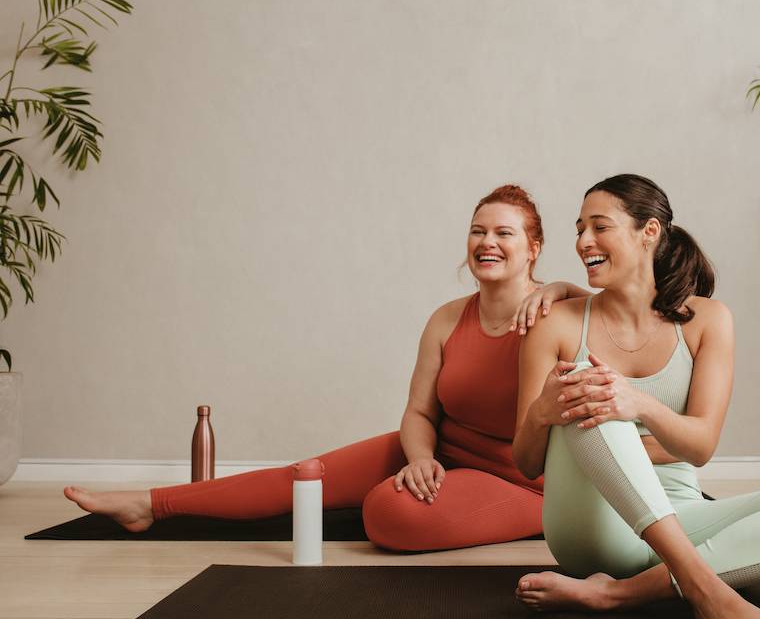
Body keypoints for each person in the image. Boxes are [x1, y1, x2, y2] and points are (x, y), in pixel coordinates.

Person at [64, 184, 588, 552]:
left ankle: (519, 520)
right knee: (303, 477)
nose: (486, 243)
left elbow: (611, 323)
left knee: (388, 514)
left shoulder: (556, 313)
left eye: (504, 233)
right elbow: (418, 412)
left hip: (522, 482)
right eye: (477, 231)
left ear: (533, 248)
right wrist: (421, 457)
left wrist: (566, 287)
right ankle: (149, 505)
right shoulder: (447, 319)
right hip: (446, 451)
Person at [511, 174, 760, 619]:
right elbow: (526, 461)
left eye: (599, 226)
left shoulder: (708, 320)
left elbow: (699, 447)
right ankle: (706, 590)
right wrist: (543, 415)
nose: (582, 241)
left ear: (648, 231)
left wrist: (640, 405)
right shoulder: (557, 322)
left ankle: (618, 595)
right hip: (591, 527)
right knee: (594, 397)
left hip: (683, 515)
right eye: (579, 229)